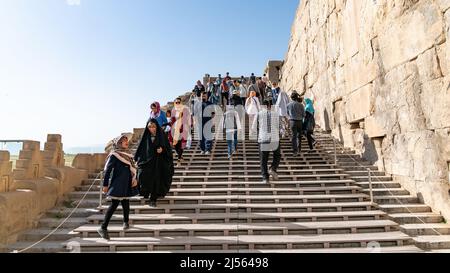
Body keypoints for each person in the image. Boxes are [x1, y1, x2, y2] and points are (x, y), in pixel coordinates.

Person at [98, 134, 139, 240]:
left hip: (127, 182)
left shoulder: (128, 155)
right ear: (119, 143)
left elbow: (133, 168)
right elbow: (107, 171)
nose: (126, 142)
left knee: (126, 202)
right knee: (114, 204)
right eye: (124, 140)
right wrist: (105, 185)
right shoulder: (114, 155)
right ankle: (103, 227)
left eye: (126, 140)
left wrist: (135, 180)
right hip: (117, 183)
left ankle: (126, 222)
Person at [134, 119, 174, 208]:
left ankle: (153, 199)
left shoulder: (162, 135)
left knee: (156, 179)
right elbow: (140, 148)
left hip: (159, 162)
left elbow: (168, 148)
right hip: (147, 162)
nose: (151, 129)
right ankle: (145, 192)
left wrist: (162, 150)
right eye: (149, 127)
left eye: (153, 127)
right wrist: (136, 159)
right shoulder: (145, 136)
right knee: (143, 177)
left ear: (156, 126)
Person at [252, 99, 281, 184]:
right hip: (275, 138)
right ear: (270, 106)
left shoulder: (258, 114)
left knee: (263, 160)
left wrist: (259, 130)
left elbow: (253, 127)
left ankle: (265, 178)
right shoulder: (275, 114)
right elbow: (280, 126)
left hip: (263, 138)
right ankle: (273, 168)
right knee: (277, 155)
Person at [169, 97, 190, 162]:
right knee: (175, 145)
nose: (177, 103)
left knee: (181, 144)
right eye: (176, 102)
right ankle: (180, 156)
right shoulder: (173, 111)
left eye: (179, 102)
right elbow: (172, 121)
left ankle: (179, 159)